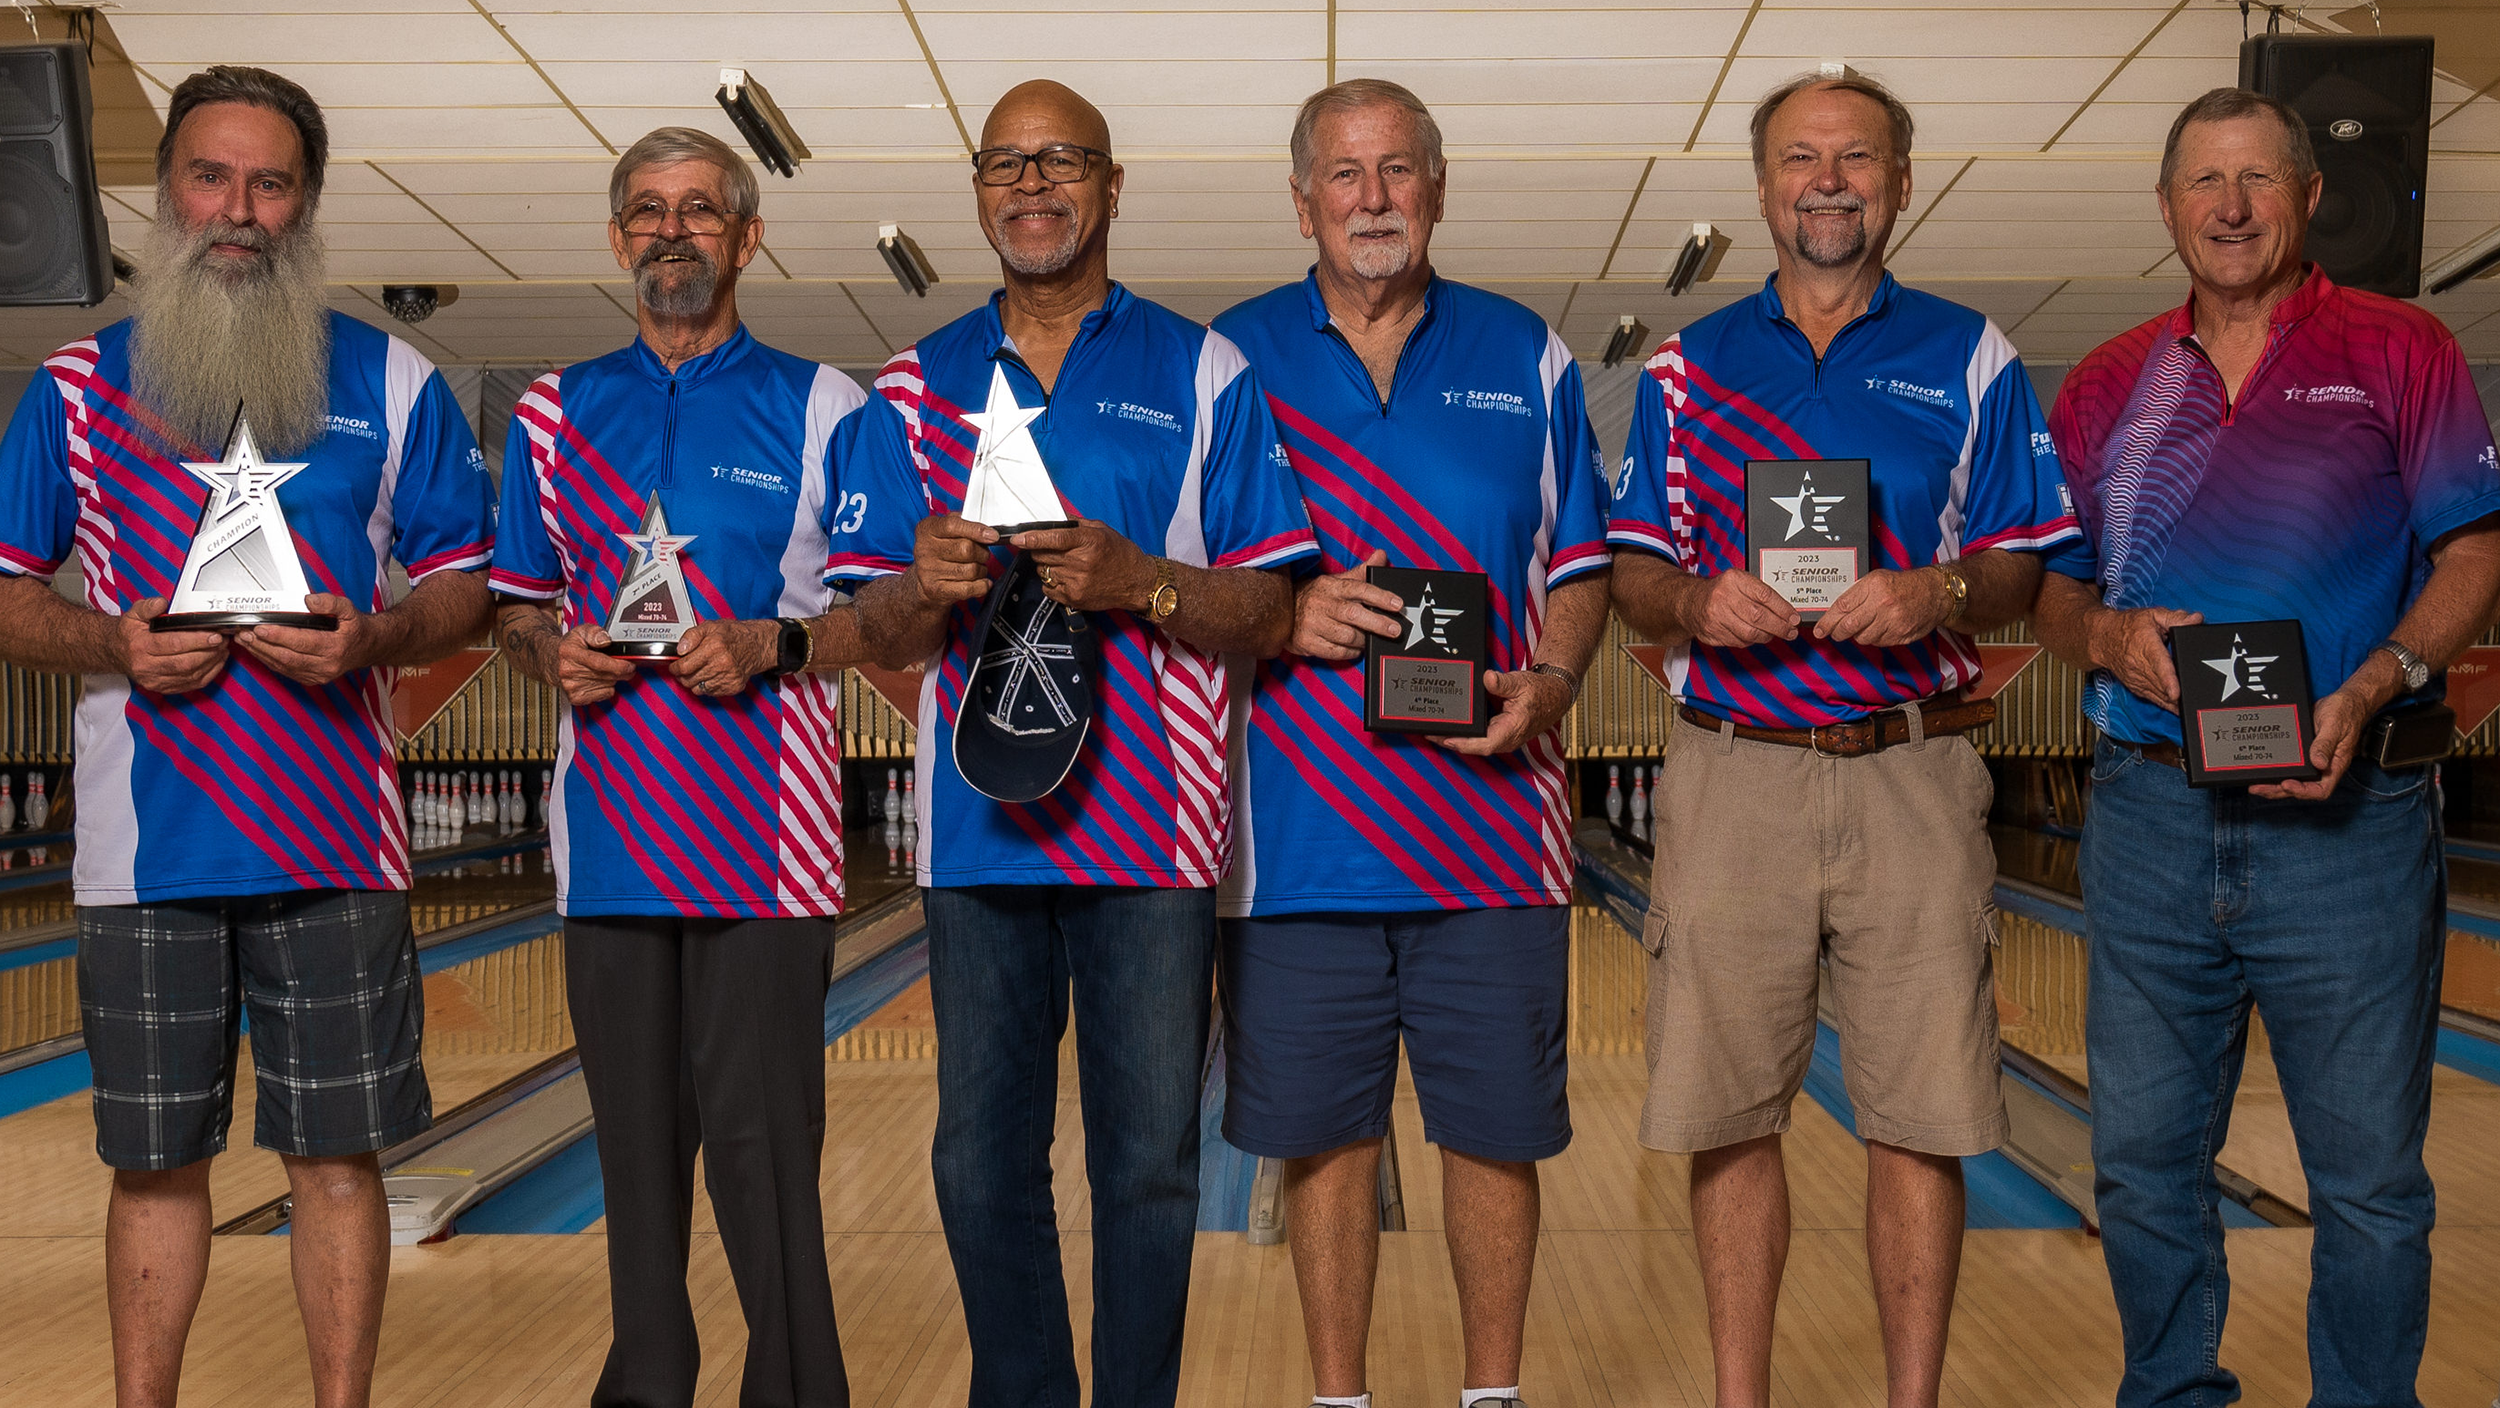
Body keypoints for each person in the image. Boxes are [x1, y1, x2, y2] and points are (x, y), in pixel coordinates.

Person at [0, 66, 494, 1408]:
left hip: (337, 844)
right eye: (211, 178)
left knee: (339, 1159)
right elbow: (4, 592)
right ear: (166, 193)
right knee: (153, 1162)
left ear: (306, 205)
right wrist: (112, 642)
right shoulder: (76, 388)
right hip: (142, 856)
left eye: (269, 183)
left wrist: (377, 637)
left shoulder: (393, 381)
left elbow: (465, 585)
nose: (238, 208)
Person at [1605, 71, 2088, 1408]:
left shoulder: (1972, 354)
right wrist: (1700, 599)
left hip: (1913, 773)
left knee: (1920, 1119)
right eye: (1801, 158)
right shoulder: (1686, 367)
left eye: (1857, 158)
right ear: (1762, 189)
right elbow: (1637, 573)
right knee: (1727, 1116)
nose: (1830, 179)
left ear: (1902, 182)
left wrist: (1936, 591)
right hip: (1733, 769)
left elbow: (2018, 566)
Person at [833, 80, 1318, 1408]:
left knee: (1148, 1161)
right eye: (1006, 163)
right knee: (977, 1159)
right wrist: (913, 587)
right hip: (977, 840)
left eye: (1062, 163)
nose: (1032, 186)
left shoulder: (1203, 369)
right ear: (978, 191)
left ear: (1112, 186)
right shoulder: (914, 385)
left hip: (1152, 840)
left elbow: (1268, 603)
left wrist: (1140, 580)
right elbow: (861, 621)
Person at [2034, 87, 2500, 1408]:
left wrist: (2379, 680)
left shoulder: (2401, 347)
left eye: (2257, 181)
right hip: (2148, 811)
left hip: (2346, 822)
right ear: (2167, 207)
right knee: (2139, 1162)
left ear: (2305, 198)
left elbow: (2476, 545)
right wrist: (2108, 639)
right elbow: (2052, 589)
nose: (2229, 207)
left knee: (2368, 1180)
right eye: (2203, 183)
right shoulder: (2114, 380)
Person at [1209, 79, 1610, 1408]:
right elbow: (1176, 580)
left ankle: (1490, 1396)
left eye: (1397, 170)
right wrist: (1279, 611)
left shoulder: (1529, 356)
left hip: (1495, 838)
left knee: (1495, 1140)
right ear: (1302, 197)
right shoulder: (1231, 358)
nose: (1371, 197)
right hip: (1297, 846)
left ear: (1436, 186)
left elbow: (1589, 565)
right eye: (1344, 173)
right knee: (1323, 1144)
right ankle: (1341, 1397)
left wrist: (1552, 680)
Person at [488, 126, 875, 1408]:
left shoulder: (826, 406)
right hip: (606, 847)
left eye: (701, 210)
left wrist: (774, 639)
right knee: (635, 1161)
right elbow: (513, 612)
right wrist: (554, 658)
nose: (673, 231)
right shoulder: (551, 412)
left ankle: (800, 1391)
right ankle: (646, 1384)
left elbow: (887, 620)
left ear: (745, 237)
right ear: (618, 239)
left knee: (765, 1163)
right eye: (649, 211)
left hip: (766, 854)